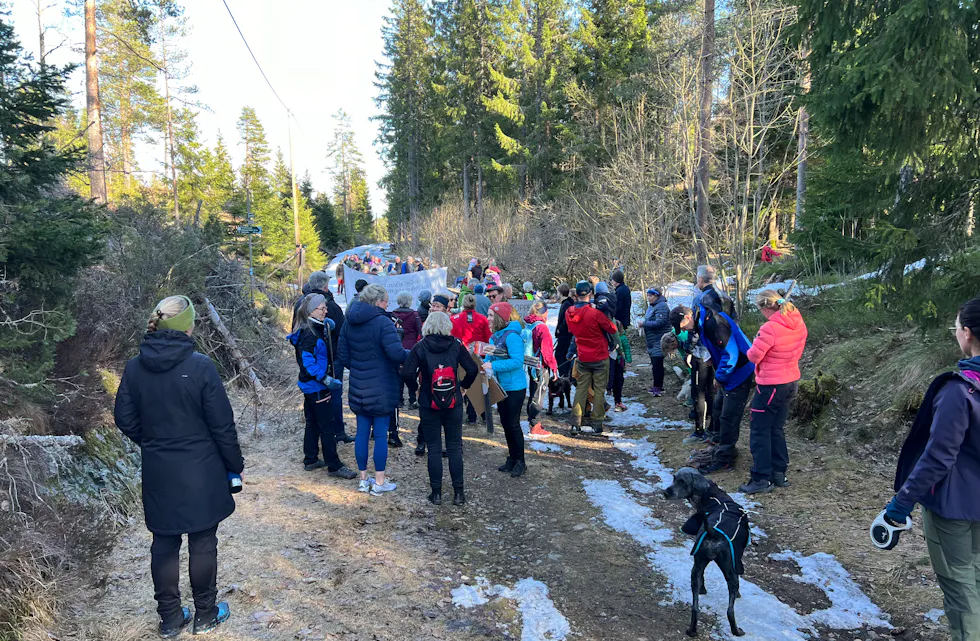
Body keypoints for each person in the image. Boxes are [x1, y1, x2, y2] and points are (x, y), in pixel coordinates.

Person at [114, 296, 243, 636]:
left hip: (160, 469)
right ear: (187, 325)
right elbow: (222, 425)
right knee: (203, 540)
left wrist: (153, 441)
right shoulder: (200, 366)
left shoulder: (134, 367)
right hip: (201, 469)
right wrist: (234, 465)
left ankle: (171, 620)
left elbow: (123, 418)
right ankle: (205, 614)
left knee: (164, 542)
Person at [887, 298, 980, 640]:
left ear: (967, 334)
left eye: (956, 327)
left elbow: (938, 456)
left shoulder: (960, 391)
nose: (956, 333)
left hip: (953, 507)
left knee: (960, 587)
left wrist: (902, 502)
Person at [401, 312, 479, 506]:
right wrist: (464, 387)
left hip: (429, 402)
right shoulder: (456, 345)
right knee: (454, 447)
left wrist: (416, 389)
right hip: (453, 401)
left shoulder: (421, 346)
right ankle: (458, 494)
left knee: (434, 448)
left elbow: (406, 373)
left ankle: (436, 494)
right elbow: (473, 369)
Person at [337, 284, 408, 496]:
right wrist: (412, 354)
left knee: (360, 432)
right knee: (379, 435)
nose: (388, 305)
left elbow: (343, 355)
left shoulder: (348, 322)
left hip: (359, 384)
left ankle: (362, 479)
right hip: (382, 386)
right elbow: (396, 354)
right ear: (378, 302)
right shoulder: (383, 323)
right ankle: (379, 481)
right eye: (386, 301)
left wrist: (359, 367)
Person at [737, 290, 807, 494]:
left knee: (759, 431)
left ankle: (760, 478)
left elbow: (753, 356)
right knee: (776, 428)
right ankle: (779, 473)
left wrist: (754, 341)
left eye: (760, 309)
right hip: (790, 381)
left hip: (771, 386)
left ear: (767, 307)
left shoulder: (770, 328)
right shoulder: (796, 320)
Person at [288, 294, 358, 479]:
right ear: (311, 311)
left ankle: (310, 459)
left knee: (312, 422)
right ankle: (334, 465)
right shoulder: (310, 334)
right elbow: (308, 363)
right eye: (322, 308)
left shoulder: (311, 327)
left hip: (309, 386)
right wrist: (326, 379)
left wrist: (326, 324)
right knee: (328, 426)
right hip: (317, 387)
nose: (326, 311)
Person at [695, 292, 756, 475]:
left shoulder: (717, 322)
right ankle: (718, 448)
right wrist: (712, 359)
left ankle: (725, 459)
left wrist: (720, 377)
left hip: (739, 372)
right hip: (731, 371)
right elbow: (719, 349)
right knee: (719, 408)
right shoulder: (707, 320)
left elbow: (731, 354)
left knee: (729, 417)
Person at [293, 272, 353, 444]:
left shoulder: (301, 303)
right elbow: (342, 334)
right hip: (326, 361)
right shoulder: (329, 306)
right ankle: (336, 434)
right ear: (325, 286)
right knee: (332, 397)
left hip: (309, 362)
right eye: (323, 310)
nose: (325, 311)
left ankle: (312, 451)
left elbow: (295, 332)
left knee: (313, 412)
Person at [566, 281, 618, 435]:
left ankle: (576, 422)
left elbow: (572, 330)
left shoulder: (569, 312)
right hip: (600, 356)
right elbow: (612, 328)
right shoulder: (595, 313)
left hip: (582, 355)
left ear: (576, 295)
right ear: (590, 294)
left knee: (581, 389)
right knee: (599, 390)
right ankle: (597, 424)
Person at [484, 302, 529, 477]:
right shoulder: (494, 337)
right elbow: (488, 356)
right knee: (505, 423)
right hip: (500, 386)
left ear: (499, 318)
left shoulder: (512, 336)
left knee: (513, 424)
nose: (487, 319)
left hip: (515, 388)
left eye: (490, 316)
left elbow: (517, 362)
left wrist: (493, 365)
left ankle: (520, 461)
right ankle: (511, 457)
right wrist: (482, 364)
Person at [670, 306, 715, 444]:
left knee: (702, 394)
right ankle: (704, 429)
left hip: (705, 360)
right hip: (700, 358)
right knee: (701, 394)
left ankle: (705, 430)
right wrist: (688, 352)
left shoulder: (705, 321)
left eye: (681, 326)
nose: (682, 330)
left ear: (688, 318)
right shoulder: (695, 323)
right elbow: (692, 339)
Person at [451, 295, 491, 424]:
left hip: (460, 355)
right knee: (478, 385)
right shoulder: (483, 319)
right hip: (478, 355)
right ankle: (480, 413)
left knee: (463, 383)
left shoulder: (454, 319)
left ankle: (469, 415)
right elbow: (488, 339)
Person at [523, 301, 558, 436]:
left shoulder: (529, 324)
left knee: (533, 392)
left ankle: (533, 422)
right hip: (541, 366)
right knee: (538, 395)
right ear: (544, 312)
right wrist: (553, 368)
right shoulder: (542, 327)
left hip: (532, 365)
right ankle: (534, 426)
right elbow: (547, 352)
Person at [392, 291, 423, 410]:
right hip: (411, 347)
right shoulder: (414, 314)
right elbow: (420, 331)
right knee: (411, 373)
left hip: (397, 346)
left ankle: (399, 399)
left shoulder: (393, 314)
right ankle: (412, 399)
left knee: (398, 373)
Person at [637, 287, 671, 396]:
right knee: (654, 363)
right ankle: (656, 385)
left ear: (656, 296)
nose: (648, 298)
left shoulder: (662, 306)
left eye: (651, 296)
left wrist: (644, 324)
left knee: (657, 364)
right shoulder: (652, 307)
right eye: (648, 295)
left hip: (660, 340)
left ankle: (658, 387)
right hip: (652, 340)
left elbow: (659, 322)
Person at [554, 283, 575, 378]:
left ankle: (564, 375)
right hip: (566, 334)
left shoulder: (566, 304)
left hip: (565, 335)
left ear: (561, 293)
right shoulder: (568, 303)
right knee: (563, 354)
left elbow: (564, 321)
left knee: (559, 354)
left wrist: (559, 329)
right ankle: (566, 374)